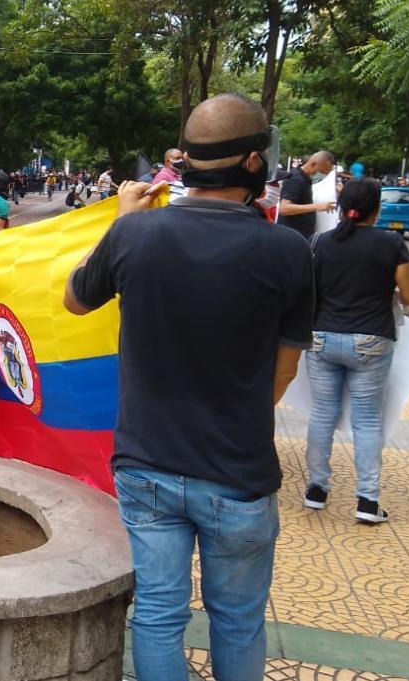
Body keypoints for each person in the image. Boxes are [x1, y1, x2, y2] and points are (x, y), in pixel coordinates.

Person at [64, 94, 313, 681]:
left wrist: (122, 218)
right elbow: (285, 370)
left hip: (145, 467)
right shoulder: (289, 251)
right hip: (238, 472)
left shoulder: (135, 235)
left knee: (155, 615)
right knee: (238, 621)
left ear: (189, 160)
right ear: (255, 162)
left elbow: (76, 298)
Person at [304, 178, 409, 524]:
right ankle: (367, 502)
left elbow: (308, 290)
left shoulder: (320, 242)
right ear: (377, 209)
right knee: (367, 420)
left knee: (322, 414)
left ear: (342, 207)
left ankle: (316, 490)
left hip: (322, 337)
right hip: (371, 340)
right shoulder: (391, 243)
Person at [278, 151, 337, 238]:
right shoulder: (296, 179)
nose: (323, 175)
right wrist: (316, 206)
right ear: (313, 164)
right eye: (322, 171)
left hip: (300, 236)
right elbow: (284, 209)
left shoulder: (305, 179)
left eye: (327, 173)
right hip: (291, 237)